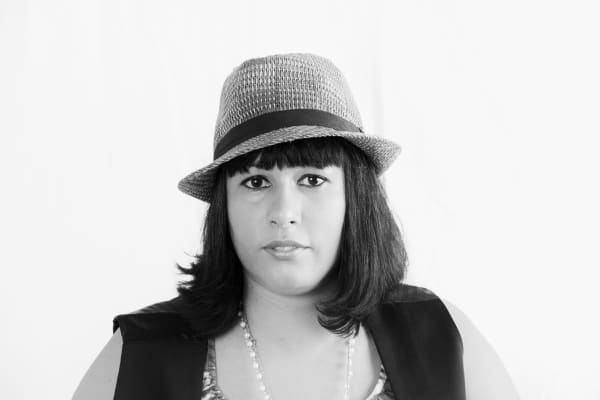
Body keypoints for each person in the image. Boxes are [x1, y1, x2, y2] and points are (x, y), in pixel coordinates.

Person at [73, 53, 520, 400]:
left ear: (355, 196)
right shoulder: (139, 352)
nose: (284, 211)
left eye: (312, 180)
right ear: (224, 206)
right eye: (255, 182)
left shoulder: (444, 338)